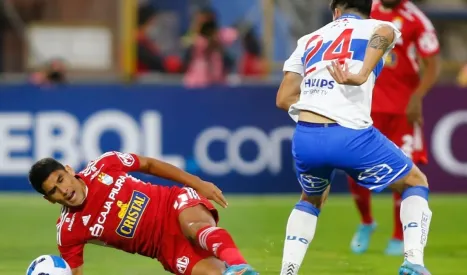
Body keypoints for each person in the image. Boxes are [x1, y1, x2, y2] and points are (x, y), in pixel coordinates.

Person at [276, 0, 432, 274]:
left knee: (310, 200)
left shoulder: (309, 39)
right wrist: (361, 74)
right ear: (368, 8)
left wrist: (317, 103)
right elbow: (384, 33)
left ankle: (287, 271)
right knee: (415, 182)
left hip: (306, 137)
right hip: (349, 135)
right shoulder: (377, 25)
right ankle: (414, 264)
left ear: (335, 10)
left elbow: (283, 98)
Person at [28, 151, 258, 275]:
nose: (64, 190)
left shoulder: (104, 165)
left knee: (197, 229)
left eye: (61, 179)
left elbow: (148, 164)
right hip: (164, 249)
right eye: (54, 191)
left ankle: (241, 266)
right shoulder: (68, 231)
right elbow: (75, 272)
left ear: (68, 170)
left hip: (173, 204)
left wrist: (197, 183)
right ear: (49, 200)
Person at [347, 0, 440, 256]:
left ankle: (399, 235)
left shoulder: (416, 20)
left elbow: (433, 64)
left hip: (402, 111)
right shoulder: (367, 10)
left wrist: (417, 96)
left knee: (404, 171)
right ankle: (366, 222)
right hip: (366, 105)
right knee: (354, 170)